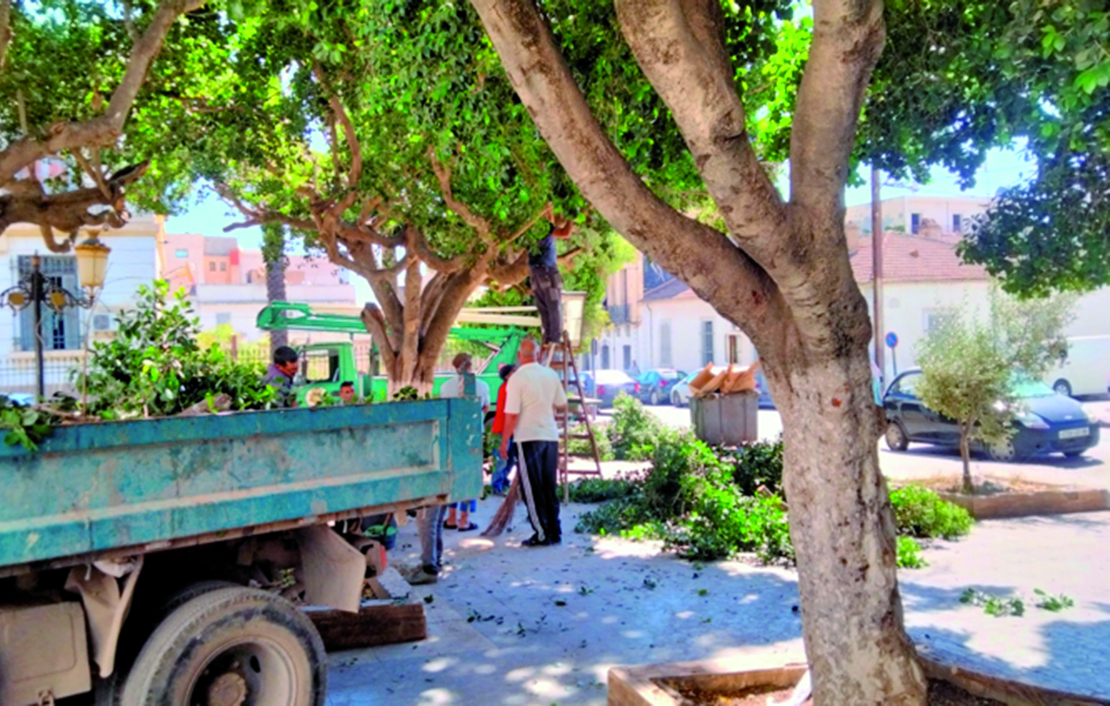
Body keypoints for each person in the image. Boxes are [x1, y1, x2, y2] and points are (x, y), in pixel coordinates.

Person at [500, 337, 567, 546]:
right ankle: (554, 530)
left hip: (527, 436)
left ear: (519, 356)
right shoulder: (550, 374)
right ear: (538, 354)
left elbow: (511, 415)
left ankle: (540, 533)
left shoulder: (517, 379)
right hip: (550, 436)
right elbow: (562, 403)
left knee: (532, 488)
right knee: (548, 486)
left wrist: (504, 442)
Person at [440, 353, 489, 532]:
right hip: (472, 438)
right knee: (470, 476)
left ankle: (451, 517)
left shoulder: (445, 387)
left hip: (453, 437)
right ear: (470, 366)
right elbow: (486, 407)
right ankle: (464, 520)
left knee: (453, 476)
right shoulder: (482, 386)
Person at [529, 204, 574, 347]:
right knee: (554, 304)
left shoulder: (530, 228)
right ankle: (554, 338)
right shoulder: (544, 227)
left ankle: (548, 337)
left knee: (543, 306)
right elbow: (565, 233)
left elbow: (551, 220)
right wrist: (572, 217)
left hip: (535, 273)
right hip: (547, 270)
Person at [490, 364, 517, 495]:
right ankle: (497, 485)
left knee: (510, 459)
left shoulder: (508, 388)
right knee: (502, 459)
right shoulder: (507, 389)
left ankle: (503, 481)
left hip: (509, 430)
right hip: (502, 429)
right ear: (507, 376)